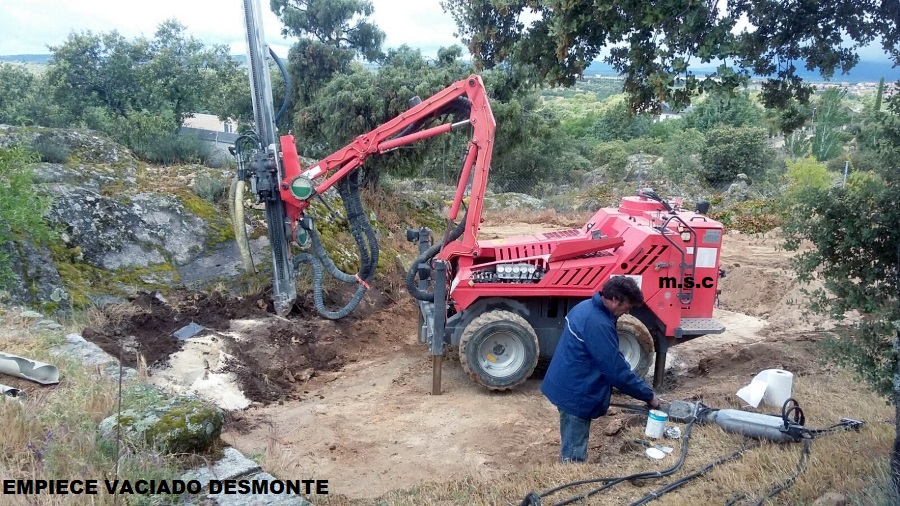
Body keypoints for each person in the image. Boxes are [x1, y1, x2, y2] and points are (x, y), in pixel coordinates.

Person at [541, 276, 661, 463]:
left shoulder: (585, 307)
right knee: (574, 454)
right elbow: (616, 371)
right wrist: (648, 395)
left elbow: (606, 355)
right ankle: (570, 481)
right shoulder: (598, 323)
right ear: (614, 299)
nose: (627, 311)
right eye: (627, 306)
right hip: (575, 393)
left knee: (571, 439)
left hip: (565, 383)